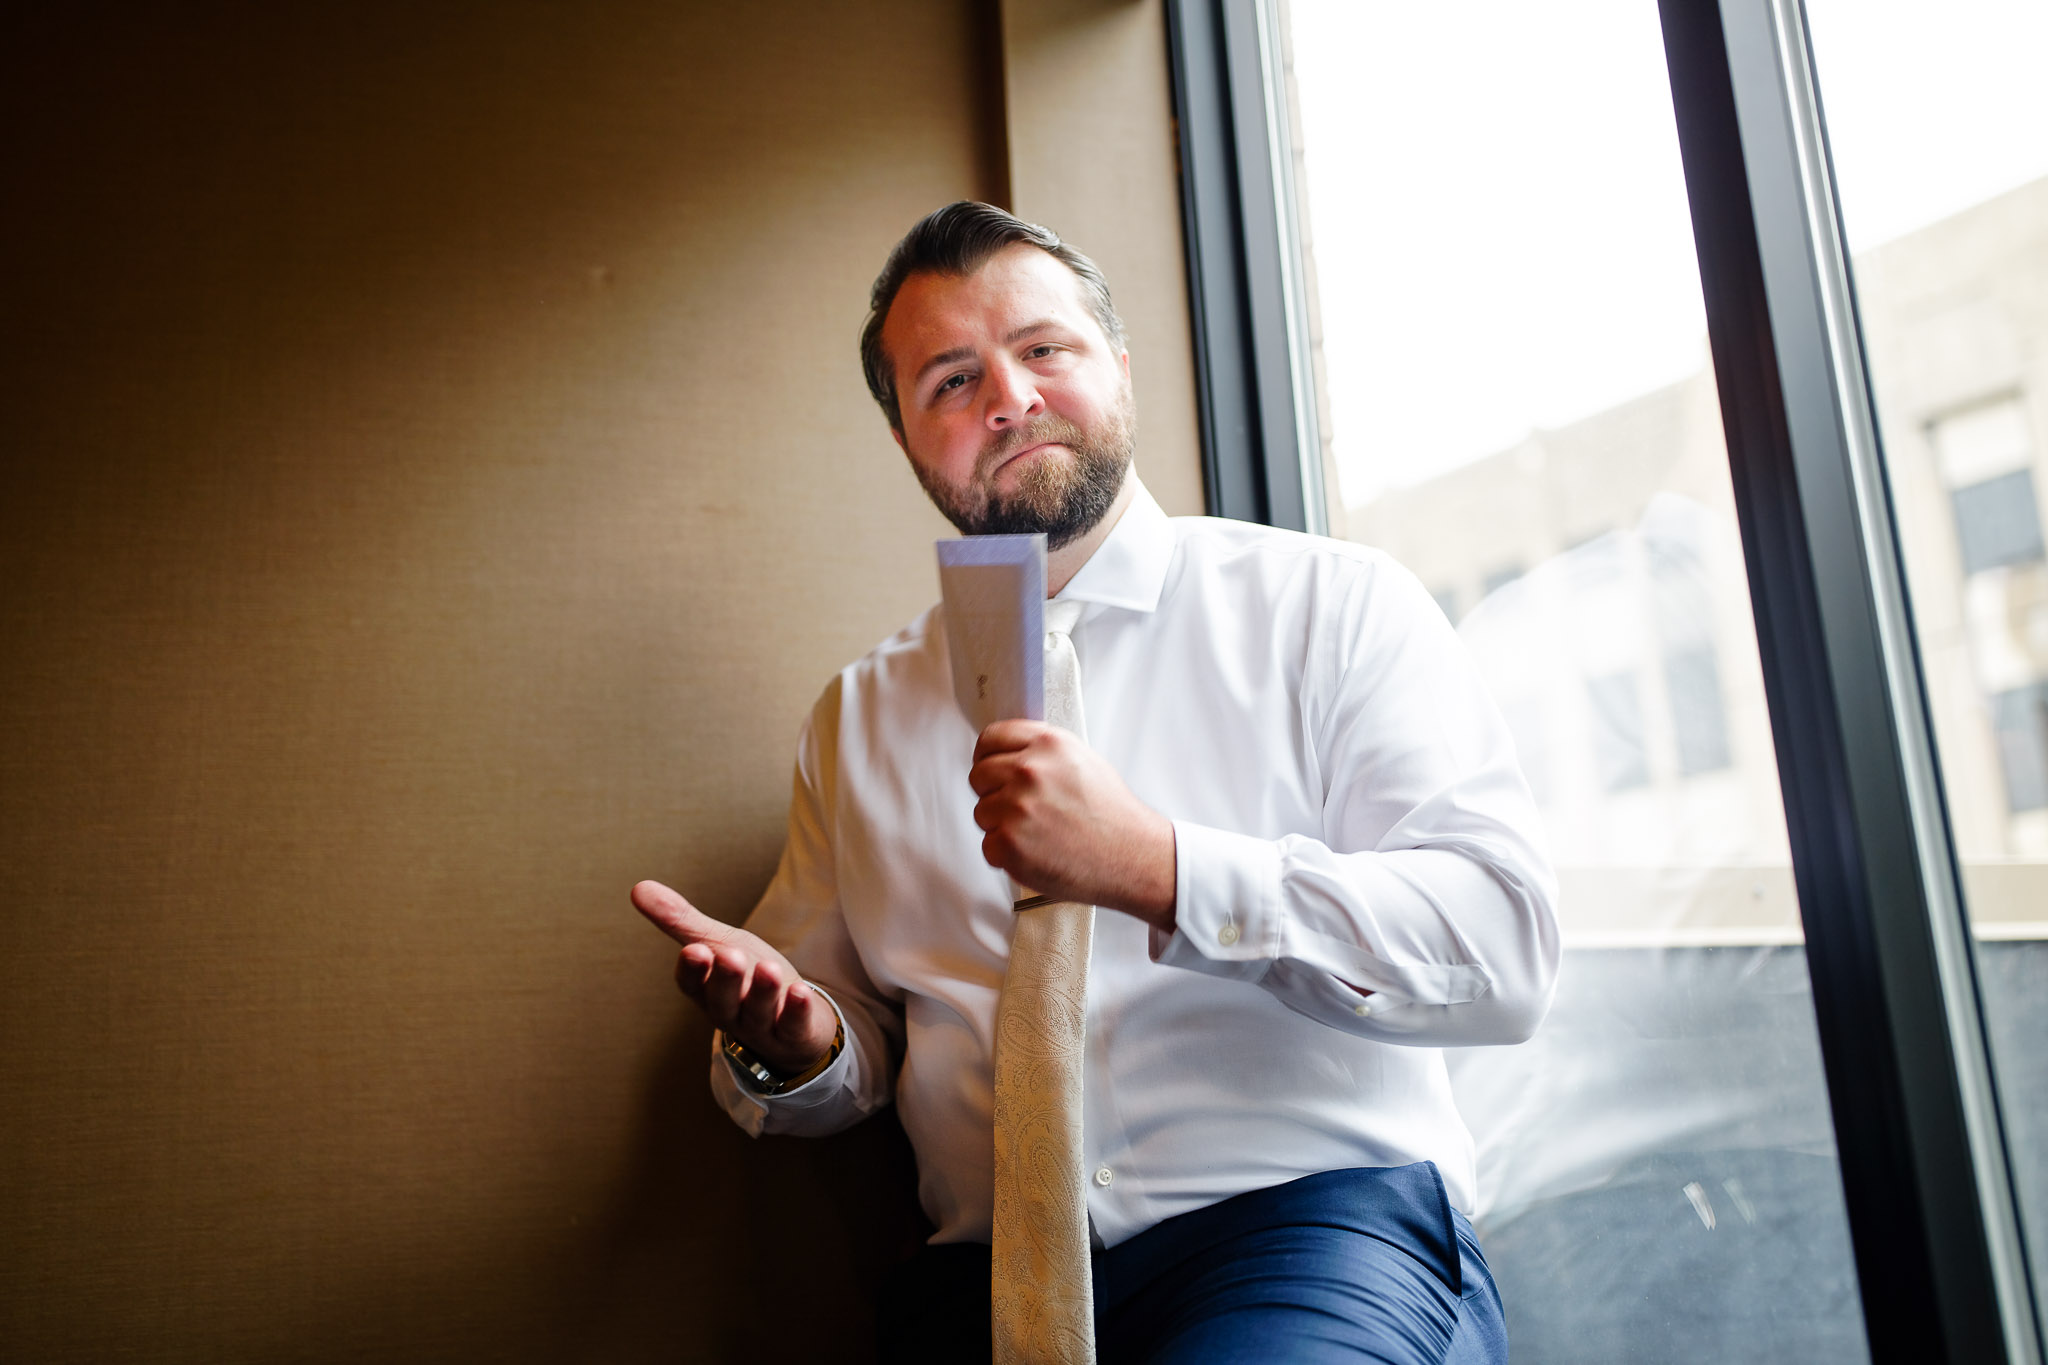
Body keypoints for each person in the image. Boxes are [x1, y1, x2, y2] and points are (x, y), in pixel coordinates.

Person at [633, 201, 1559, 1363]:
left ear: (1116, 370)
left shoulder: (1332, 609)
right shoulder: (856, 719)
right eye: (951, 380)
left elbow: (1504, 953)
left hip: (1307, 1229)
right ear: (911, 444)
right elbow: (841, 1047)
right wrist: (797, 1042)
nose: (1007, 399)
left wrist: (1158, 868)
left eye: (1041, 351)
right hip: (976, 1292)